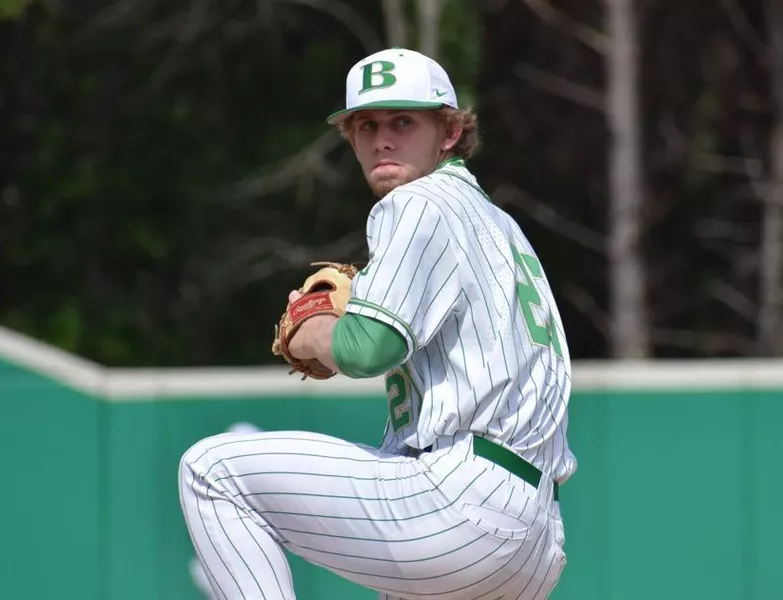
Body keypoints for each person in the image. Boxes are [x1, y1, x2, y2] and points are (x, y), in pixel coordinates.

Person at [178, 47, 577, 600]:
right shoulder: (498, 223)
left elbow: (367, 349)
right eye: (366, 125)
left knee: (212, 470)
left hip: (462, 503)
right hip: (533, 537)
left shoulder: (418, 202)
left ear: (450, 132)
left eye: (403, 121)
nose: (382, 139)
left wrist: (313, 331)